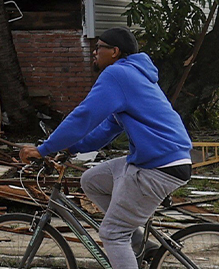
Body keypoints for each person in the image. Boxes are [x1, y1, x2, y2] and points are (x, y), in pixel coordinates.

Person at [18, 27, 192, 269]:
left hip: (159, 166)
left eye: (98, 47)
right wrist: (71, 148)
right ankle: (137, 239)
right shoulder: (133, 75)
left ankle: (125, 235)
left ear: (115, 52)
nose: (94, 53)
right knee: (91, 180)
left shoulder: (117, 74)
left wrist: (43, 149)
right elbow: (107, 128)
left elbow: (84, 116)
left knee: (112, 233)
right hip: (164, 159)